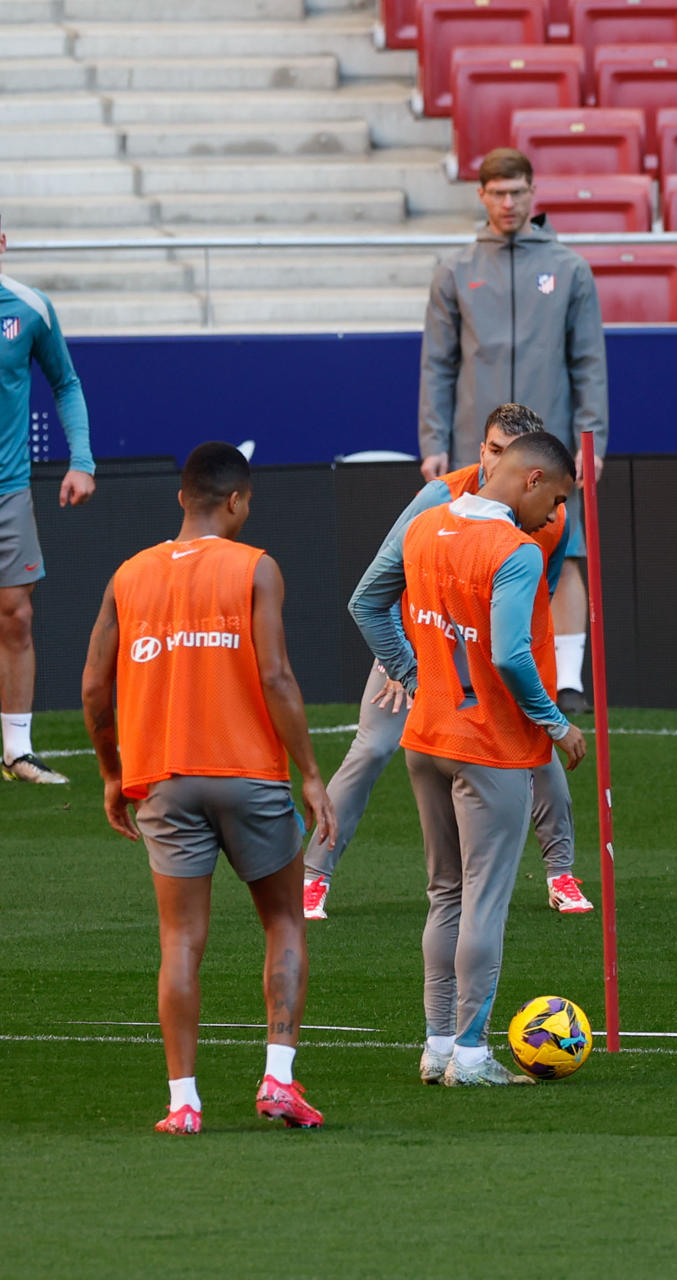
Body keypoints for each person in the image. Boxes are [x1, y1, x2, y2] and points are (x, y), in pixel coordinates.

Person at [78, 442, 338, 1133]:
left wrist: (112, 772)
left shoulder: (128, 575)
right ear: (235, 502)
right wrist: (309, 773)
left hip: (161, 778)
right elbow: (277, 677)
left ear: (180, 499)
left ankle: (183, 1103)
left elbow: (93, 687)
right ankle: (278, 1080)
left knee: (181, 941)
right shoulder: (256, 568)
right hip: (249, 775)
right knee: (282, 921)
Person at [352, 431, 588, 1086]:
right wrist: (555, 722)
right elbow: (512, 655)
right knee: (484, 901)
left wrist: (415, 676)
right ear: (532, 480)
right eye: (558, 500)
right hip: (492, 749)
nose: (554, 520)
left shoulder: (426, 525)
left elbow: (366, 602)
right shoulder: (514, 551)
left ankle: (436, 1048)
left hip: (427, 739)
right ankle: (474, 1055)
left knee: (445, 895)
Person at [303, 405, 590, 921]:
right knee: (371, 749)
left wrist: (524, 675)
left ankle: (560, 873)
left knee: (542, 747)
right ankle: (313, 877)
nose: (500, 462)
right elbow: (381, 585)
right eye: (494, 450)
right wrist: (402, 665)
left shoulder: (553, 515)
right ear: (482, 449)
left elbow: (535, 598)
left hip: (494, 651)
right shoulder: (438, 497)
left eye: (512, 454)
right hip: (419, 645)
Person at [419, 147, 608, 717]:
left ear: (532, 193)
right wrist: (434, 443)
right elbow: (437, 364)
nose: (508, 203)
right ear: (482, 196)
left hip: (549, 448)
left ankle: (569, 681)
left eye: (517, 192)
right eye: (497, 193)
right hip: (477, 446)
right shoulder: (454, 270)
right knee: (460, 561)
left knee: (565, 551)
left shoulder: (571, 268)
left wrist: (589, 440)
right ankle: (463, 674)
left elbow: (589, 363)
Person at [2, 211, 96, 783]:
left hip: (8, 489)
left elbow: (66, 381)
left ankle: (16, 749)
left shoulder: (29, 307)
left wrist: (81, 460)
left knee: (15, 615)